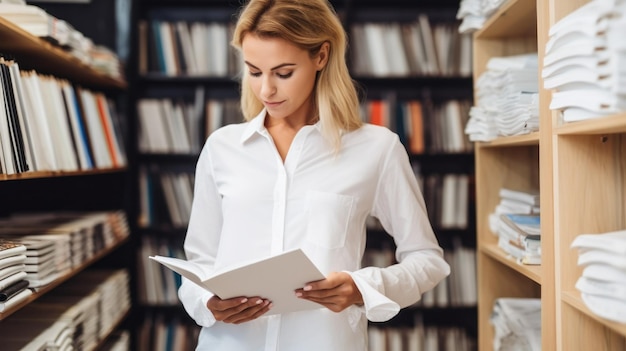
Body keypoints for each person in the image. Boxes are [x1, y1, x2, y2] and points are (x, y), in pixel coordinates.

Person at [178, 0, 451, 350]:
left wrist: (363, 288)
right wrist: (207, 303)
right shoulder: (222, 147)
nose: (266, 91)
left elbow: (427, 260)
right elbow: (199, 262)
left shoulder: (376, 148)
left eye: (283, 72)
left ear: (321, 56)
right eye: (255, 71)